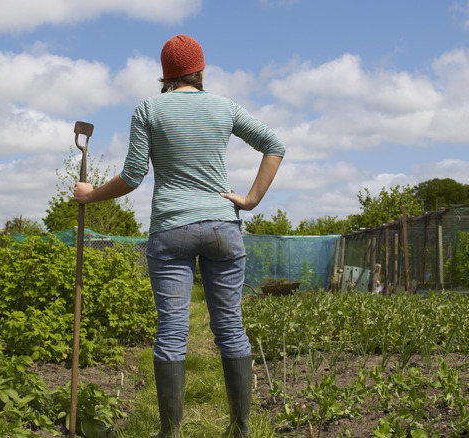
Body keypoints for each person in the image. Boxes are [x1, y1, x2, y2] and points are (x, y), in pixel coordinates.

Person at [73, 34, 285, 437]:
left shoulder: (149, 109)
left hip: (172, 229)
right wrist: (251, 199)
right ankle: (241, 429)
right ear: (201, 70)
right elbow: (274, 144)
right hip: (224, 226)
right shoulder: (225, 107)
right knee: (231, 328)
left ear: (165, 74)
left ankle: (170, 432)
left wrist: (92, 194)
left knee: (172, 331)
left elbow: (133, 177)